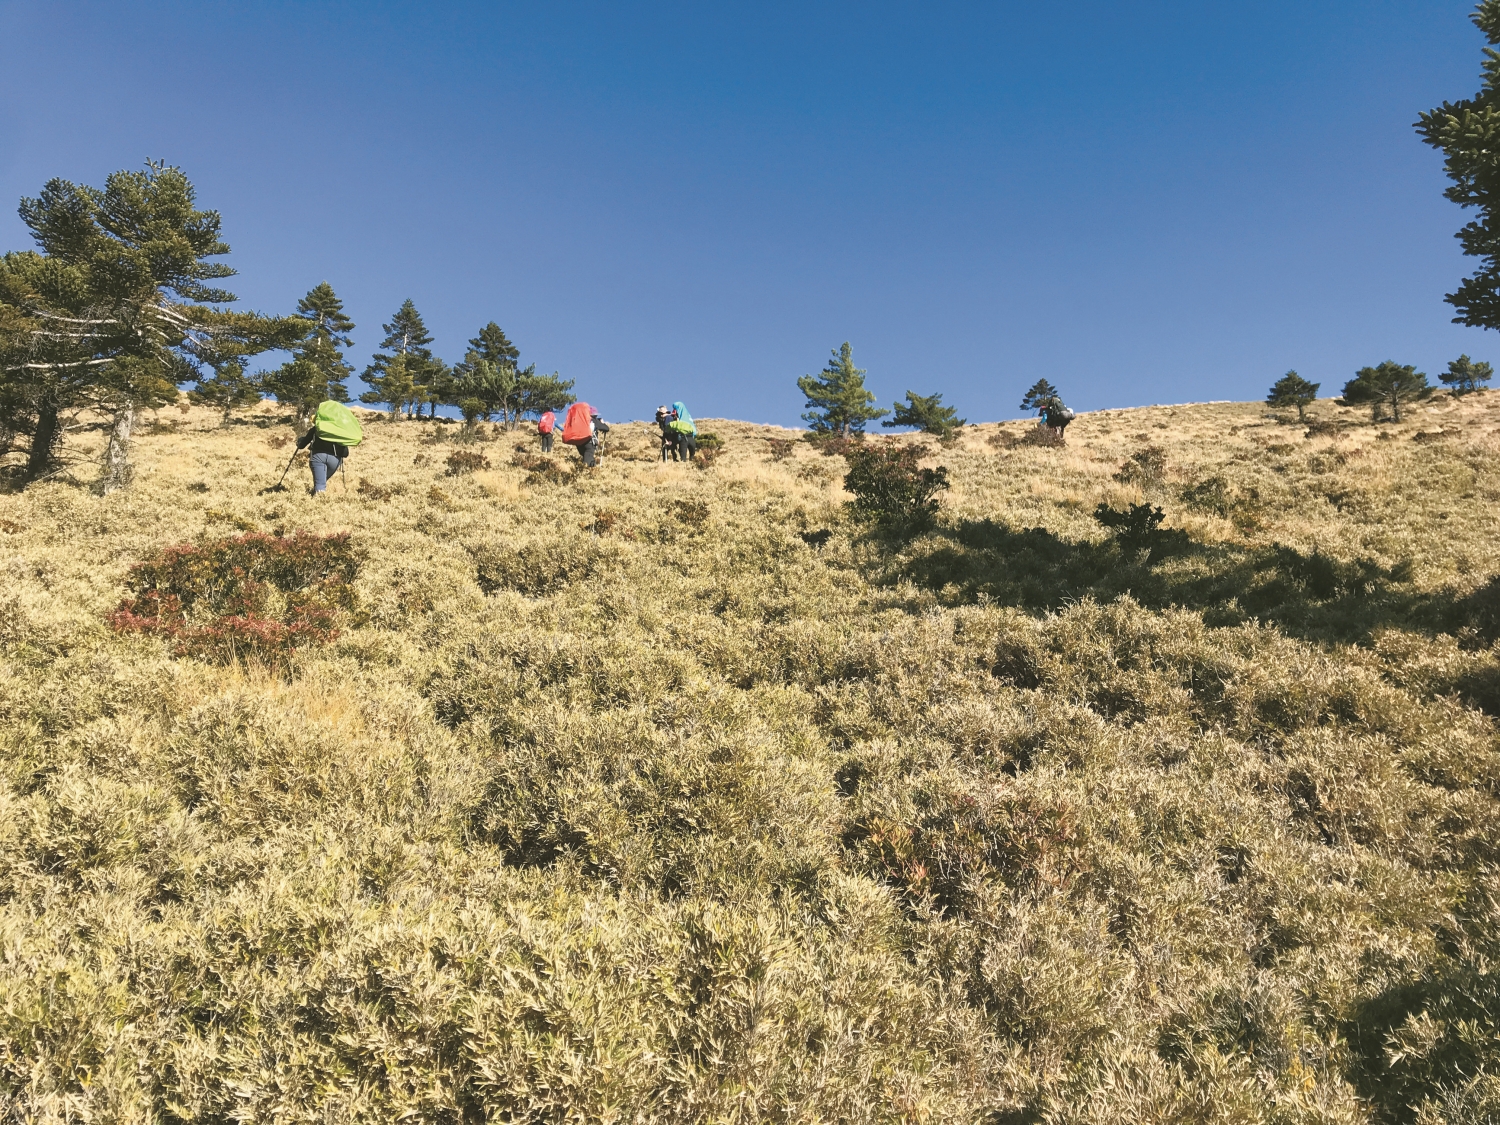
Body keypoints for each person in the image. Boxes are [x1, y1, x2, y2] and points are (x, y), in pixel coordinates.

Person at [296, 422, 349, 494]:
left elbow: (301, 445)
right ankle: (314, 494)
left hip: (318, 456)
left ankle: (317, 499)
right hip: (335, 460)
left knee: (320, 484)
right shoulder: (339, 430)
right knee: (321, 481)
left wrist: (300, 441)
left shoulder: (317, 427)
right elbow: (345, 452)